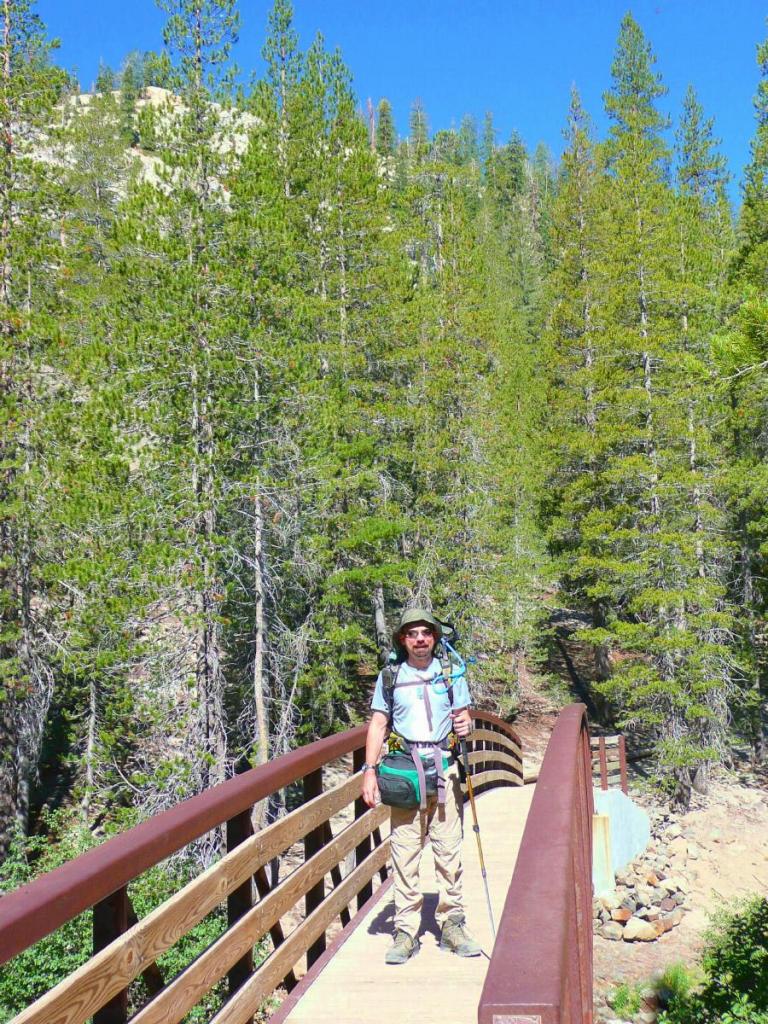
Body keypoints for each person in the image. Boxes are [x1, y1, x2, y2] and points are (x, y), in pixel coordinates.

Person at [361, 607, 482, 965]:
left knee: (448, 852)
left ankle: (452, 925)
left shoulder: (450, 674)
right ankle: (406, 931)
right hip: (405, 774)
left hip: (444, 768)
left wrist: (466, 725)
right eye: (412, 634)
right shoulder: (390, 677)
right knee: (405, 853)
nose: (419, 640)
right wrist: (369, 771)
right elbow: (378, 724)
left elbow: (466, 720)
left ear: (434, 637)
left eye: (425, 633)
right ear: (403, 639)